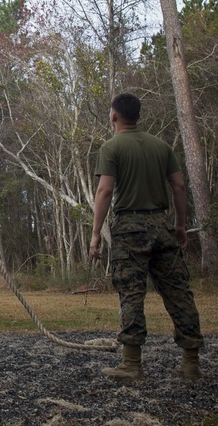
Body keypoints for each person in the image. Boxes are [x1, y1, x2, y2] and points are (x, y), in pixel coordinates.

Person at [90, 93, 203, 382]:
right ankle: (191, 363)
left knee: (131, 293)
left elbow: (104, 192)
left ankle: (132, 364)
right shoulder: (161, 146)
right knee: (179, 293)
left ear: (114, 116)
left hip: (130, 228)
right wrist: (178, 225)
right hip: (162, 224)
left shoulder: (111, 147)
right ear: (138, 116)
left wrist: (95, 234)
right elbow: (178, 186)